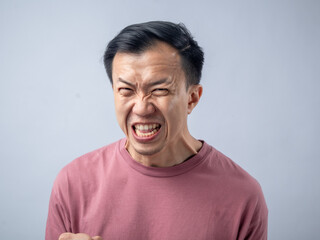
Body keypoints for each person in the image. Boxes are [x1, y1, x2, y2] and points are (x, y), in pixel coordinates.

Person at [46, 21, 268, 240]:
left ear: (192, 98)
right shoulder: (73, 183)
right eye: (126, 90)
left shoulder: (242, 196)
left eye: (159, 90)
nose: (142, 107)